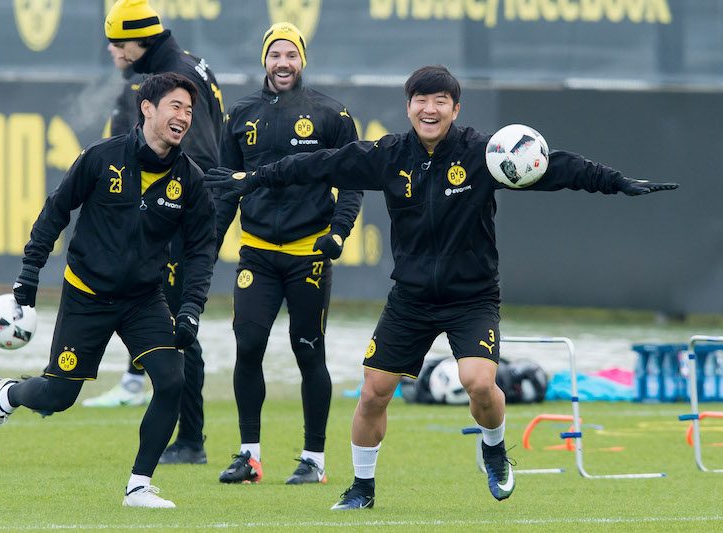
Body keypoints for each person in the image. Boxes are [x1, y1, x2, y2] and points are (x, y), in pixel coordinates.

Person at [204, 65, 679, 509]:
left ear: (456, 109)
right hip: (410, 299)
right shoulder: (388, 156)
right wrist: (253, 178)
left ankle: (494, 448)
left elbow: (555, 167)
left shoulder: (483, 154)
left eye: (440, 101)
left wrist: (615, 181)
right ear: (409, 106)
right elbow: (318, 164)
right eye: (420, 100)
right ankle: (362, 487)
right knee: (373, 392)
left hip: (471, 297)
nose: (429, 109)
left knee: (479, 383)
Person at [0, 72, 217, 509]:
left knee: (171, 380)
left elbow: (201, 250)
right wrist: (29, 271)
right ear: (147, 108)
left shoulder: (191, 180)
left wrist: (191, 307)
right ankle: (8, 394)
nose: (184, 117)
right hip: (86, 295)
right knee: (58, 396)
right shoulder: (101, 157)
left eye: (189, 110)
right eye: (175, 106)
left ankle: (138, 486)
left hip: (144, 299)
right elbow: (57, 209)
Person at [214, 22, 363, 485]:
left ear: (302, 60)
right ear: (265, 60)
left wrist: (338, 232)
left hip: (308, 255)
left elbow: (353, 182)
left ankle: (314, 459)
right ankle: (249, 457)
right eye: (275, 54)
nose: (283, 63)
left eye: (291, 55)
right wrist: (207, 245)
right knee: (248, 345)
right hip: (257, 254)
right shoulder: (240, 114)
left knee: (308, 351)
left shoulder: (331, 114)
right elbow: (226, 188)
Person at [90, 0, 226, 465]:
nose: (113, 51)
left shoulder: (175, 81)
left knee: (179, 325)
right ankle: (185, 434)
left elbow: (201, 157)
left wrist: (171, 217)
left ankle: (190, 440)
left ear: (141, 41)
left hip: (182, 222)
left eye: (118, 43)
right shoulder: (185, 65)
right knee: (169, 321)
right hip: (183, 218)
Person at [80, 42, 153, 409]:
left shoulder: (146, 86)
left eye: (118, 42)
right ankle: (134, 380)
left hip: (145, 212)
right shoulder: (130, 85)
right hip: (129, 209)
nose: (110, 49)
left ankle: (136, 381)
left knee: (143, 297)